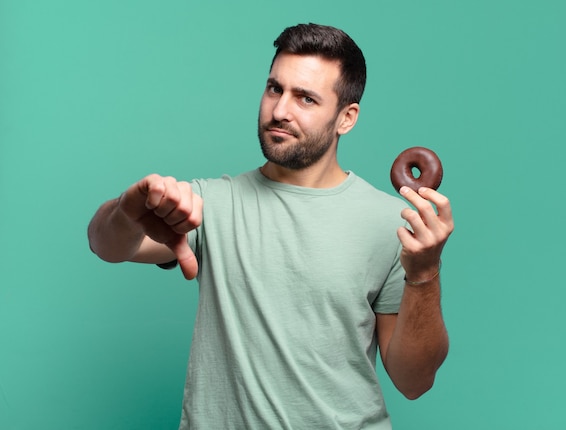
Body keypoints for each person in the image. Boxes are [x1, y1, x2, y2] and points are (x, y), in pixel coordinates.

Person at [88, 23, 454, 429]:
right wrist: (127, 208)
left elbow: (413, 380)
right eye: (274, 89)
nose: (280, 110)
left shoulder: (392, 224)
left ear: (346, 118)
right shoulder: (210, 204)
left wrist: (425, 274)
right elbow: (105, 244)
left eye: (306, 98)